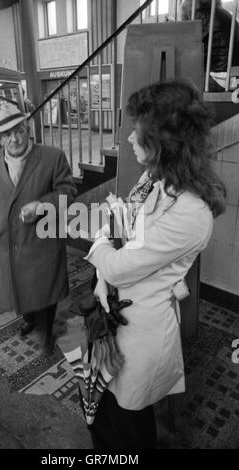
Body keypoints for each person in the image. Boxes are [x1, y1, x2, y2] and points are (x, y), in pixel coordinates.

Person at [84, 79, 226, 449]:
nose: (129, 139)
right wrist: (106, 262)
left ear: (163, 141)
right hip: (114, 315)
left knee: (127, 425)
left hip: (139, 331)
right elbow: (119, 220)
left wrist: (101, 253)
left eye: (138, 131)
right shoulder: (154, 178)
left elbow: (117, 260)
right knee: (100, 413)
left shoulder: (192, 212)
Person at [0, 102, 77, 345]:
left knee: (45, 290)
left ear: (27, 128)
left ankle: (45, 330)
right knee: (19, 288)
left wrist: (41, 205)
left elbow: (68, 193)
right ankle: (30, 320)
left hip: (40, 241)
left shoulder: (53, 157)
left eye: (19, 130)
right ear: (0, 139)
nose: (15, 138)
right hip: (6, 243)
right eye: (7, 134)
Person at [181, 0, 239, 91]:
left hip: (219, 77)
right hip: (232, 75)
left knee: (173, 77)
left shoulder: (202, 16)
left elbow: (189, 49)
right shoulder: (223, 13)